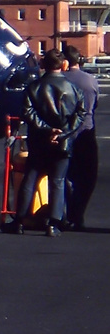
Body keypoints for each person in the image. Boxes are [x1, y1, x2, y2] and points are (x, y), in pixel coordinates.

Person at [4, 48, 87, 237]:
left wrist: (46, 129)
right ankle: (53, 223)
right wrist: (63, 133)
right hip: (63, 144)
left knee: (30, 180)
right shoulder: (74, 89)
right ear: (63, 65)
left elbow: (28, 112)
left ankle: (19, 221)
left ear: (43, 65)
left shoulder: (33, 87)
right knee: (57, 182)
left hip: (39, 142)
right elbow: (81, 114)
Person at [63, 45, 98, 230]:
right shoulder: (90, 81)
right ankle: (79, 213)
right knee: (88, 175)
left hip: (64, 132)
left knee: (64, 174)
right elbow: (95, 105)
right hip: (86, 131)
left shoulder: (61, 80)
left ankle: (70, 212)